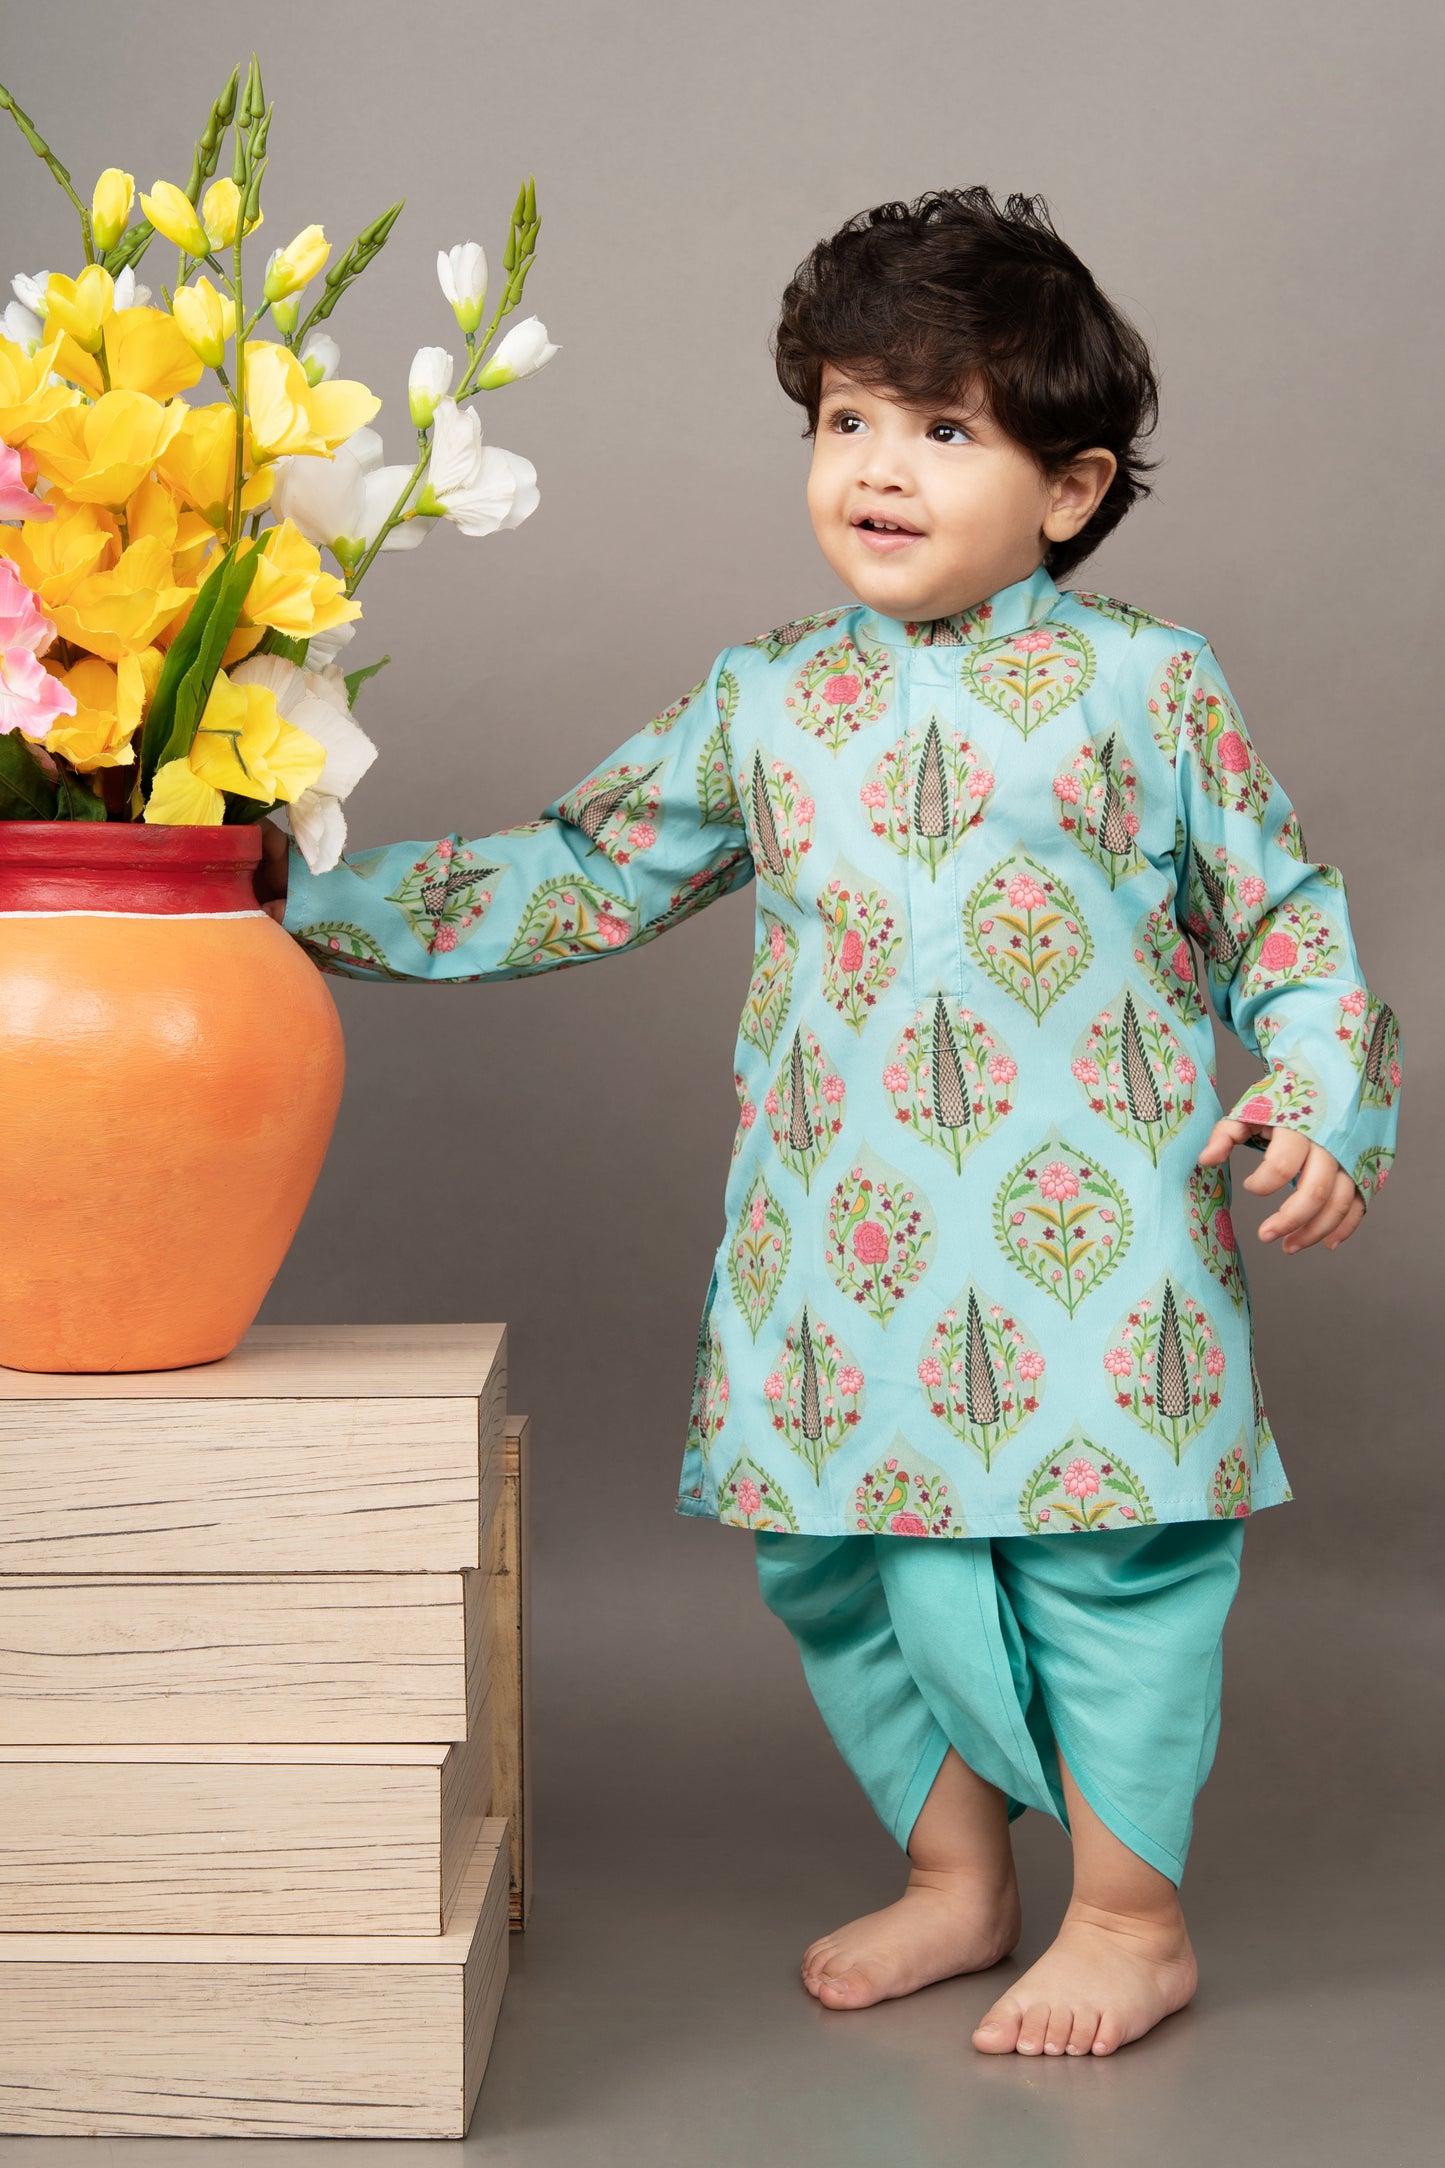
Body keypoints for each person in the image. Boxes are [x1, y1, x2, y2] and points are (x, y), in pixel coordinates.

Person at [254, 187, 1402, 2057]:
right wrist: (279, 902)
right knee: (843, 1557)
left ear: (1070, 489)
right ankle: (958, 1879)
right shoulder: (765, 700)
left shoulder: (1145, 685)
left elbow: (1280, 916)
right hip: (838, 1243)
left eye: (943, 428)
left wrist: (1320, 1100)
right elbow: (580, 870)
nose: (875, 465)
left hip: (1097, 1238)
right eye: (845, 418)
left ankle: (1130, 1916)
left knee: (1108, 1565)